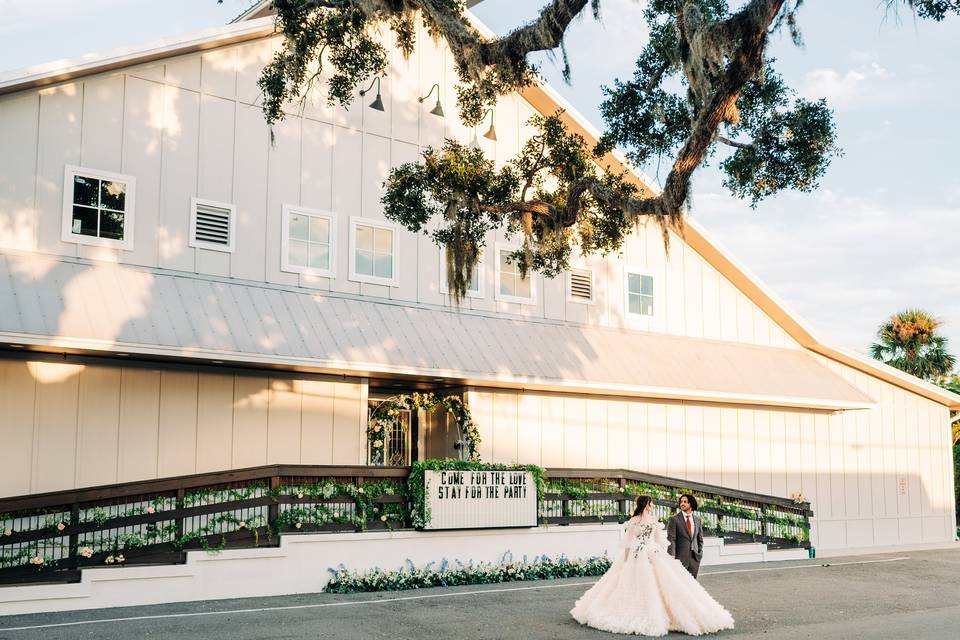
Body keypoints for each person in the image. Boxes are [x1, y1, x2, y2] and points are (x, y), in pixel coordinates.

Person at [570, 495, 734, 636]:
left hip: (642, 553)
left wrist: (629, 560)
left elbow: (631, 543)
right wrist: (634, 559)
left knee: (649, 583)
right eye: (651, 503)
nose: (653, 505)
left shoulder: (637, 521)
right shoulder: (646, 521)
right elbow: (656, 542)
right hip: (647, 553)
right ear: (646, 504)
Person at [668, 494, 703, 578]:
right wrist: (671, 556)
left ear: (691, 504)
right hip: (679, 558)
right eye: (681, 502)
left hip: (695, 558)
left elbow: (700, 539)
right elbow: (671, 539)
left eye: (685, 502)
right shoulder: (674, 519)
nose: (682, 504)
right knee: (680, 583)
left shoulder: (697, 520)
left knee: (693, 584)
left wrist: (699, 552)